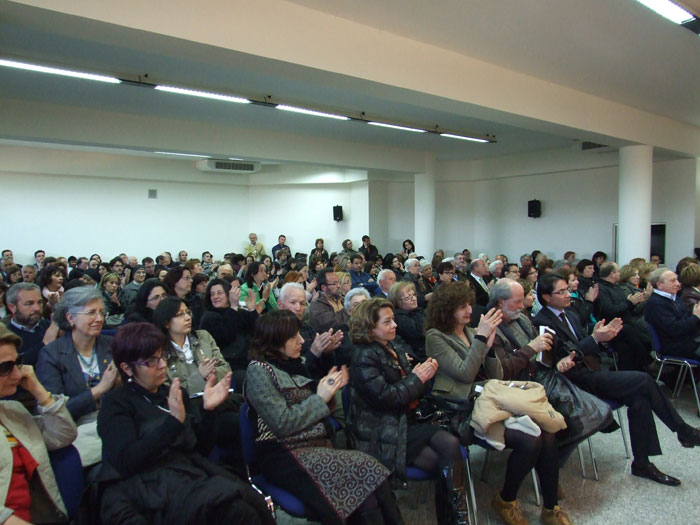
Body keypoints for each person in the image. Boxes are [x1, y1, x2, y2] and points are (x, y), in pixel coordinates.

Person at [426, 281, 573, 525]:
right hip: (461, 407)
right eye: (461, 307)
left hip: (489, 397)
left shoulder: (472, 331)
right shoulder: (436, 337)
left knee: (546, 430)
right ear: (446, 308)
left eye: (469, 305)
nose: (469, 311)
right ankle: (506, 499)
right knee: (530, 439)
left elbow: (497, 376)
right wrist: (482, 339)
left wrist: (490, 347)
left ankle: (550, 507)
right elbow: (464, 373)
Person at [96, 322, 272, 524]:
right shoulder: (117, 403)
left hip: (187, 474)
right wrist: (172, 424)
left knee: (250, 505)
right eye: (151, 361)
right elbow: (126, 461)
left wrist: (209, 410)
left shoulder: (172, 393)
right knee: (236, 512)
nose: (162, 365)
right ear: (127, 368)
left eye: (162, 357)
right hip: (147, 487)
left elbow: (200, 448)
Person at [534, 272, 700, 486]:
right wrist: (594, 339)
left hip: (590, 372)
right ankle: (683, 431)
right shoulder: (542, 322)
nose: (569, 294)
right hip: (571, 382)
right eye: (562, 292)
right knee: (643, 380)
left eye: (568, 290)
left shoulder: (571, 314)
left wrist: (600, 338)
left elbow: (582, 346)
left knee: (640, 398)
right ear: (546, 297)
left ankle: (642, 462)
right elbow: (558, 360)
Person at [245, 310, 401, 524]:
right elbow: (282, 422)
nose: (302, 340)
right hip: (284, 454)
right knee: (369, 475)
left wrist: (328, 389)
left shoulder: (294, 363)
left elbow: (312, 408)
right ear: (275, 340)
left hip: (315, 445)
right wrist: (320, 397)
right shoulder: (258, 371)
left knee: (374, 477)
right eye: (294, 337)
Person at [347, 298, 466, 524]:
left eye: (393, 320)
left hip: (406, 418)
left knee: (449, 450)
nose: (395, 325)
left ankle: (455, 517)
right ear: (370, 327)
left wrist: (422, 377)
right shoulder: (363, 356)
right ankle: (456, 518)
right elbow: (387, 398)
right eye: (388, 322)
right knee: (446, 455)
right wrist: (417, 378)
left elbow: (410, 390)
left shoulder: (391, 346)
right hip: (382, 428)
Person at [0, 325, 78, 525]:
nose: (18, 375)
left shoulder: (13, 411)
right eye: (5, 368)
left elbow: (63, 436)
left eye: (18, 363)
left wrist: (38, 390)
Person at [36, 287, 119, 466]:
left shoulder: (112, 345)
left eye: (101, 313)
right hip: (76, 431)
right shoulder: (51, 355)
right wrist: (99, 390)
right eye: (91, 313)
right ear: (70, 318)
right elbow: (56, 414)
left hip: (115, 419)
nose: (99, 319)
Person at [153, 297, 232, 396]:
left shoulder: (203, 337)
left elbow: (226, 368)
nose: (187, 318)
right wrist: (200, 376)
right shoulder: (159, 351)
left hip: (215, 396)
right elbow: (168, 392)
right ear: (166, 323)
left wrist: (212, 372)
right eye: (180, 315)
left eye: (188, 312)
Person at [199, 278, 260, 389]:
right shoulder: (209, 317)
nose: (215, 297)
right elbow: (226, 337)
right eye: (212, 294)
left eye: (219, 293)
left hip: (249, 360)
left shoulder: (238, 311)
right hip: (230, 365)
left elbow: (258, 331)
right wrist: (233, 307)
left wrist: (252, 310)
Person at [644, 268, 700, 360]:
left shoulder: (675, 298)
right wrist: (696, 317)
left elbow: (686, 320)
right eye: (673, 281)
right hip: (676, 346)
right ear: (659, 285)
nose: (678, 284)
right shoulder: (656, 303)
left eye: (677, 280)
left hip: (690, 340)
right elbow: (675, 329)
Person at [4, 283, 59, 367]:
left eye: (40, 302)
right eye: (29, 303)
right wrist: (45, 344)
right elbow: (16, 366)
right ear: (12, 307)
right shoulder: (6, 338)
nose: (37, 308)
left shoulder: (49, 326)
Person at [390, 281, 427, 361]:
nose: (414, 299)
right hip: (418, 356)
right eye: (408, 298)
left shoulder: (417, 310)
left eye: (413, 295)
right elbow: (420, 331)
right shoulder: (398, 317)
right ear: (398, 302)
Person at [309, 269, 350, 333]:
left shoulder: (341, 299)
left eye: (339, 282)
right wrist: (348, 311)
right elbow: (328, 323)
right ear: (323, 287)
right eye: (334, 284)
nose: (339, 286)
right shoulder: (317, 304)